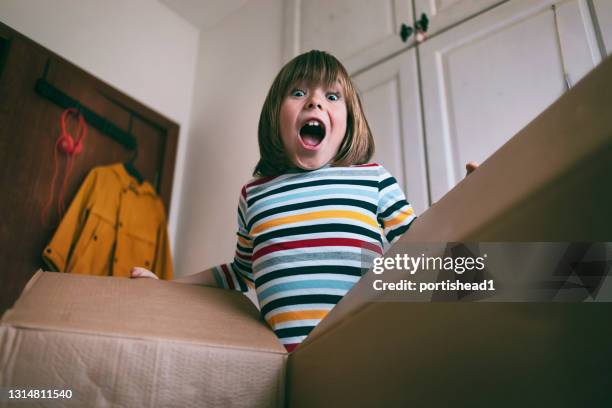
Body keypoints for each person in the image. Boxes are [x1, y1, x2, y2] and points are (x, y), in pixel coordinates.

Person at [132, 50, 478, 352]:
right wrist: (165, 288)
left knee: (507, 278)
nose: (314, 102)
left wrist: (470, 203)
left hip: (374, 346)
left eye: (332, 96)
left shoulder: (372, 179)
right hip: (289, 368)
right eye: (298, 93)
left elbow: (420, 250)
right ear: (274, 115)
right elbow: (240, 273)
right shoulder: (254, 195)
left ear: (349, 120)